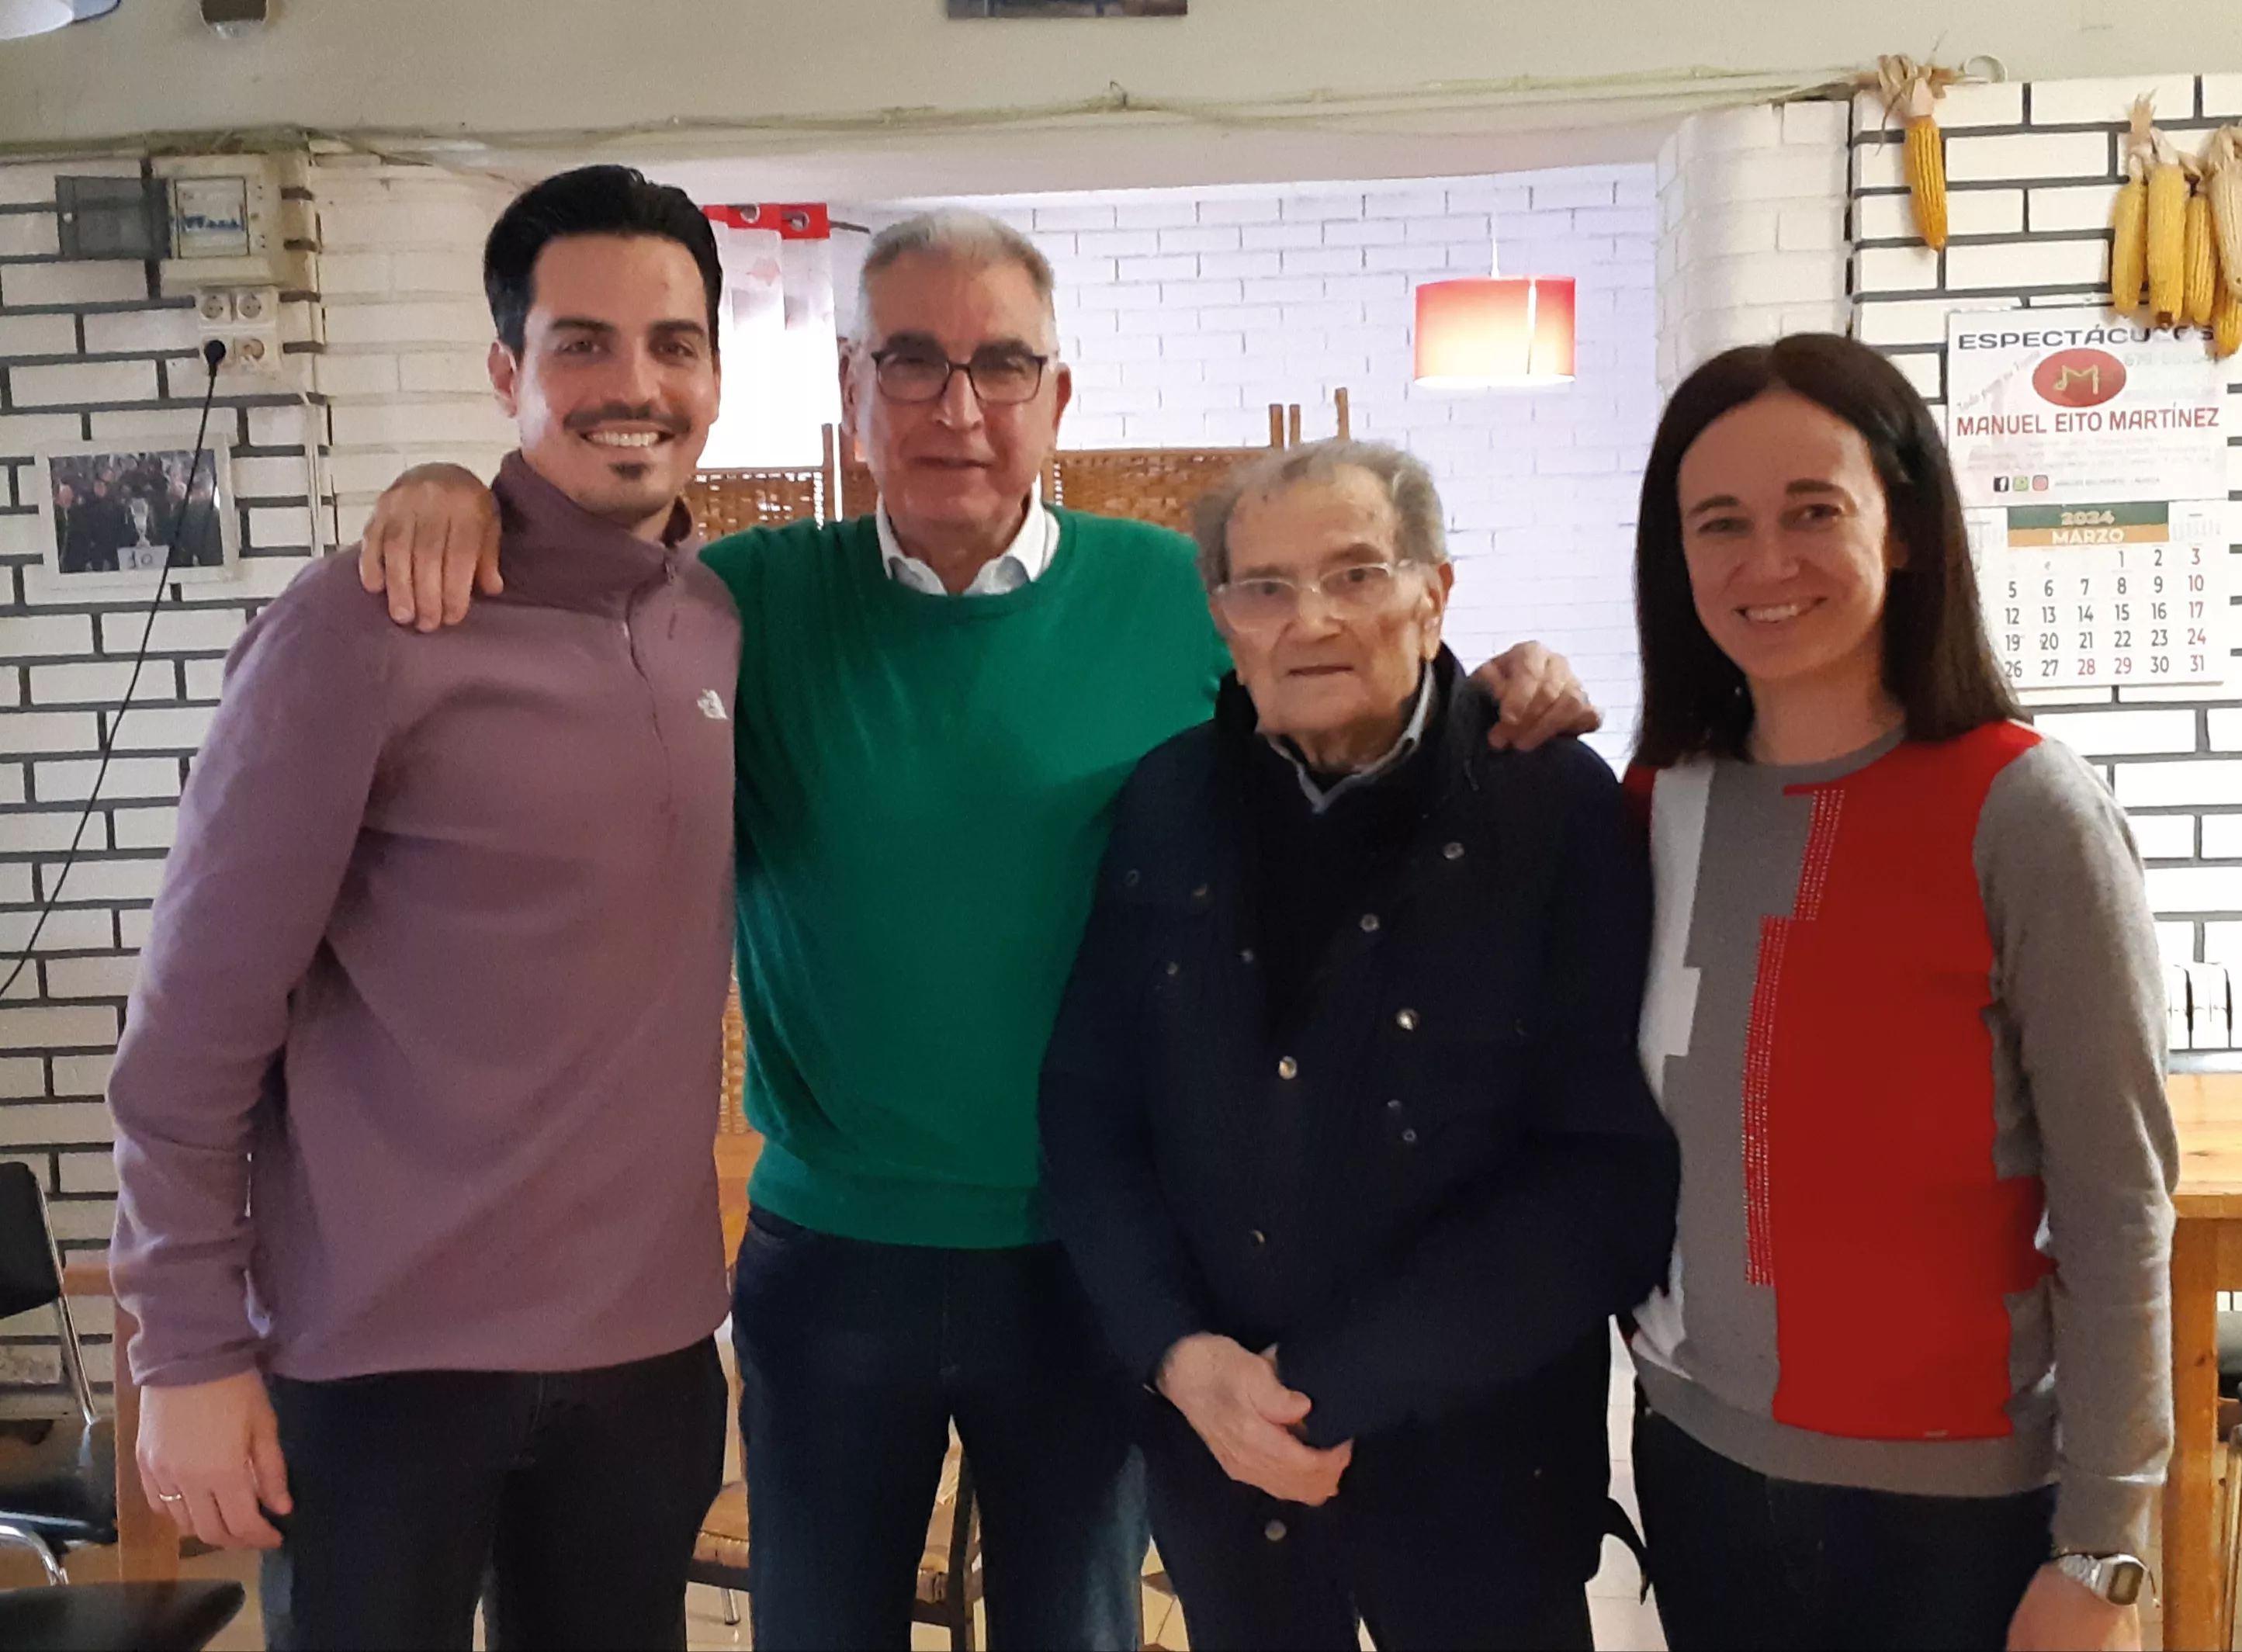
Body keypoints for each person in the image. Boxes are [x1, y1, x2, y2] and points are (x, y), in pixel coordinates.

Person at [355, 207, 1601, 1651]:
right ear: (850, 392)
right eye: (914, 363)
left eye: (1003, 365)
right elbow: (572, 604)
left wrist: (1509, 680)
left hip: (1098, 1262)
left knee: (1073, 1630)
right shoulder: (737, 608)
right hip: (831, 1261)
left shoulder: (1177, 598)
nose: (959, 407)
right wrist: (455, 492)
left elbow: (1363, 696)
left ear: (1058, 397)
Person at [108, 165, 741, 1651]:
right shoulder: (364, 625)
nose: (633, 384)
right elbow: (193, 1031)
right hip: (379, 1368)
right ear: (507, 371)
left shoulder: (716, 619)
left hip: (646, 1358)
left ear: (715, 370)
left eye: (674, 343)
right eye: (581, 342)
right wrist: (187, 1349)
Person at [1038, 438, 1679, 1650]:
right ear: (1223, 620)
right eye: (1264, 587)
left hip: (1482, 1477)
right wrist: (1182, 1360)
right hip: (1225, 1472)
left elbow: (1606, 1183)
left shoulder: (1554, 811)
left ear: (1435, 595)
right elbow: (1088, 1112)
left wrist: (1320, 1384)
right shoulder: (1168, 804)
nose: (1311, 619)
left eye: (1356, 574)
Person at [1623, 333, 2174, 1652]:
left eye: (1815, 512)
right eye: (1721, 524)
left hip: (1954, 1514)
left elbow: (2115, 1206)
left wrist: (2105, 1546)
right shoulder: (1655, 806)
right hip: (1697, 1465)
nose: (1767, 563)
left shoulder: (2023, 810)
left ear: (1909, 529)